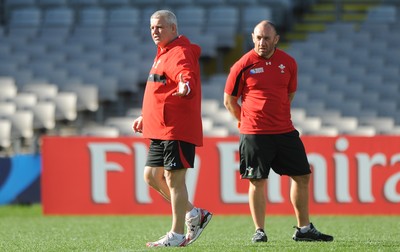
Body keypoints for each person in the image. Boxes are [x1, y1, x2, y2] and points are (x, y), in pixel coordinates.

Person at [223, 20, 333, 243]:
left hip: (284, 130)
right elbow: (229, 101)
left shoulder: (288, 63)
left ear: (276, 39)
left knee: (302, 176)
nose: (262, 42)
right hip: (254, 132)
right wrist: (244, 122)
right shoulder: (242, 65)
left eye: (266, 38)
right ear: (252, 37)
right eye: (258, 37)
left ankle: (304, 229)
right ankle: (259, 231)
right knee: (257, 180)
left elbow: (289, 94)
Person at [132, 10, 212, 247]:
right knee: (151, 176)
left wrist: (185, 86)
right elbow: (161, 90)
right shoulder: (163, 53)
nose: (154, 32)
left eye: (159, 27)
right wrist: (145, 115)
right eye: (152, 28)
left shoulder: (179, 52)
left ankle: (177, 234)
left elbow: (185, 75)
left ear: (173, 29)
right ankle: (195, 214)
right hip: (160, 127)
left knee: (174, 180)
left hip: (176, 127)